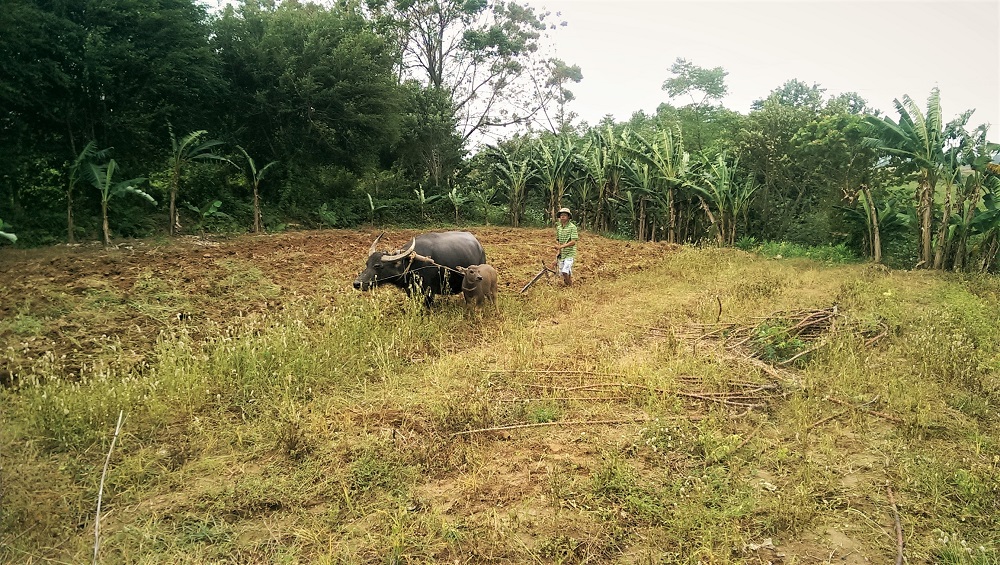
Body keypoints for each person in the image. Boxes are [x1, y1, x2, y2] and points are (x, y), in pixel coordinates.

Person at [553, 207, 578, 286]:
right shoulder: (559, 228)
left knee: (565, 271)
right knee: (563, 273)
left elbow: (573, 242)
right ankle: (568, 285)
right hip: (562, 254)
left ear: (568, 217)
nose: (562, 217)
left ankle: (570, 285)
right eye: (561, 215)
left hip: (570, 253)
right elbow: (558, 240)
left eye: (564, 215)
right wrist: (558, 251)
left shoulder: (572, 227)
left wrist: (561, 247)